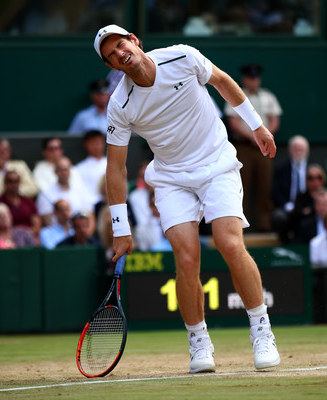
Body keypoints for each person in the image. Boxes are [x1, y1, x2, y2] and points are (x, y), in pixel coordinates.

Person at [95, 24, 279, 373]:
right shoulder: (120, 104)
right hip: (171, 179)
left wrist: (256, 126)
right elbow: (115, 169)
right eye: (111, 56)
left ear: (134, 41)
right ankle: (199, 342)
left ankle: (261, 329)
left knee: (228, 243)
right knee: (186, 256)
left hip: (217, 164)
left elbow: (223, 81)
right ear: (113, 67)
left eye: (120, 44)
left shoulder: (182, 55)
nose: (120, 53)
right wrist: (121, 228)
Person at [223, 63, 282, 232]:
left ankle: (264, 224)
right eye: (250, 78)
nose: (254, 81)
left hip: (264, 147)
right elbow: (233, 122)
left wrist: (266, 135)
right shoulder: (236, 94)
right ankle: (241, 226)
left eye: (256, 78)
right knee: (242, 185)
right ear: (244, 79)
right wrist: (252, 136)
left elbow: (275, 120)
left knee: (265, 184)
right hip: (244, 147)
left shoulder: (268, 97)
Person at [36, 156, 96, 228]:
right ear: (55, 171)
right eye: (61, 170)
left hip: (81, 235)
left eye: (66, 169)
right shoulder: (45, 194)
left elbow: (90, 215)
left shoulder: (81, 190)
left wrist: (86, 235)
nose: (64, 173)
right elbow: (46, 219)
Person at [272, 135, 310, 243]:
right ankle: (286, 245)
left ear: (307, 151)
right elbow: (275, 192)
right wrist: (288, 206)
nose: (298, 152)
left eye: (301, 149)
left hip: (308, 208)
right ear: (290, 150)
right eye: (296, 149)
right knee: (278, 216)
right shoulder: (281, 169)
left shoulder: (313, 169)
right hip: (287, 207)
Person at [0, 170, 41, 238]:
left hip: (29, 237)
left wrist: (25, 235)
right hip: (7, 238)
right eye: (10, 181)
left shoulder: (29, 201)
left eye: (16, 181)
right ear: (4, 183)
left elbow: (37, 224)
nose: (13, 184)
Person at [288, 163, 326, 234]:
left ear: (323, 179)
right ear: (306, 180)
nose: (315, 181)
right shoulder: (301, 197)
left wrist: (309, 211)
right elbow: (297, 216)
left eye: (318, 177)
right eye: (311, 178)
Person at [73, 130, 108, 205]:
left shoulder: (113, 164)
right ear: (86, 144)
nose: (96, 146)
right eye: (93, 143)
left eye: (98, 142)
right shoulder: (79, 169)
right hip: (90, 208)